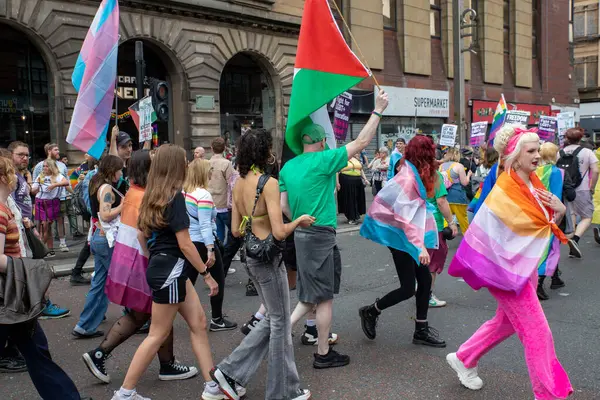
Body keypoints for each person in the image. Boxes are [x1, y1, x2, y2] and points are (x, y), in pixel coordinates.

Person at [446, 125, 573, 400]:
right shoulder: (508, 186)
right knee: (539, 333)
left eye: (539, 149)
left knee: (505, 323)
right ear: (515, 156)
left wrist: (560, 212)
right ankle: (548, 395)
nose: (538, 155)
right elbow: (501, 235)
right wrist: (555, 216)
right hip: (504, 271)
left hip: (522, 268)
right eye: (531, 150)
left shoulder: (532, 182)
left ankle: (464, 358)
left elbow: (541, 227)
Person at [280, 90, 389, 369]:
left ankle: (289, 336)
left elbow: (285, 207)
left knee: (310, 294)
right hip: (321, 233)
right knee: (324, 296)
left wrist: (301, 219)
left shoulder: (288, 168)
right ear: (321, 141)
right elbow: (363, 141)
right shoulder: (324, 161)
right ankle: (322, 351)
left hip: (302, 233)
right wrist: (377, 110)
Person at [211, 129, 314, 400]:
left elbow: (234, 230)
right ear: (263, 151)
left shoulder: (239, 182)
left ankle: (230, 372)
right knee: (280, 323)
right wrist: (298, 221)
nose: (272, 152)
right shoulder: (267, 183)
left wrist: (253, 220)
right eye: (269, 147)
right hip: (269, 259)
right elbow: (280, 233)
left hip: (251, 257)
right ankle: (283, 392)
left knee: (272, 319)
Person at [112, 144, 219, 400]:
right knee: (157, 334)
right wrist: (205, 273)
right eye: (184, 160)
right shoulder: (174, 196)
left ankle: (212, 385)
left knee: (199, 323)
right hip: (173, 269)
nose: (187, 164)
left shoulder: (152, 195)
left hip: (168, 269)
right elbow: (185, 244)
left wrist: (154, 259)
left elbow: (141, 235)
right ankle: (125, 394)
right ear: (175, 165)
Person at [83, 150, 197, 384]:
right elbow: (148, 234)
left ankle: (166, 364)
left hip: (135, 262)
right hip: (147, 262)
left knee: (158, 314)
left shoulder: (134, 192)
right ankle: (103, 356)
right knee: (148, 315)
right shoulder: (146, 196)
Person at [0, 156, 92, 400]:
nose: (16, 181)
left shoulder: (5, 207)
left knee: (37, 351)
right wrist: (27, 268)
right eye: (12, 176)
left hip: (11, 295)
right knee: (37, 351)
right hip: (8, 293)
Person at [358, 135, 447, 347]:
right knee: (409, 287)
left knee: (424, 281)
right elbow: (405, 218)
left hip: (404, 233)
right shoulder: (408, 178)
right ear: (424, 155)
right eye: (431, 152)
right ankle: (371, 311)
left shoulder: (414, 171)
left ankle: (421, 329)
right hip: (398, 234)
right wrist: (420, 247)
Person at [72, 155, 124, 338]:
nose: (121, 172)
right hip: (105, 239)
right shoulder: (107, 187)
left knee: (100, 282)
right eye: (120, 169)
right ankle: (135, 317)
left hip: (97, 237)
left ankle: (85, 325)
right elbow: (106, 214)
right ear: (112, 170)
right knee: (120, 279)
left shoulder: (95, 181)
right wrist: (123, 206)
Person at [184, 159, 237, 331]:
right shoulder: (203, 195)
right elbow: (205, 224)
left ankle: (167, 315)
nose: (211, 173)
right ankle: (217, 319)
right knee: (217, 280)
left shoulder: (186, 192)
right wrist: (210, 249)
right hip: (202, 242)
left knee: (186, 283)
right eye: (209, 170)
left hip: (190, 242)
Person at [536, 142, 576, 301]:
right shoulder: (560, 173)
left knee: (542, 248)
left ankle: (555, 277)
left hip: (534, 215)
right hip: (554, 216)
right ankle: (539, 282)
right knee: (551, 248)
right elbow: (571, 195)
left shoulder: (533, 172)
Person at [559, 127, 599, 258]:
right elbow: (596, 170)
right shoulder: (587, 152)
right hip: (582, 189)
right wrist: (592, 186)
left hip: (566, 190)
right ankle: (575, 239)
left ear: (567, 138)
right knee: (587, 217)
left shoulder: (560, 152)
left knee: (572, 214)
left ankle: (571, 241)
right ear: (580, 138)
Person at [32, 143, 70, 252]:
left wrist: (55, 185)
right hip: (41, 201)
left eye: (46, 166)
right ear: (49, 151)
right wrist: (37, 187)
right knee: (43, 225)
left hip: (55, 200)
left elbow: (66, 181)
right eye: (55, 150)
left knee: (52, 223)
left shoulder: (60, 169)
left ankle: (48, 248)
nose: (44, 168)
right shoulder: (40, 172)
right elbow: (33, 188)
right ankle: (44, 249)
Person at [208, 137, 234, 247]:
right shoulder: (226, 163)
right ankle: (228, 252)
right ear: (224, 149)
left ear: (211, 148)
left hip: (211, 202)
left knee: (218, 232)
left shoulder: (206, 163)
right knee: (233, 231)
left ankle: (220, 252)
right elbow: (232, 183)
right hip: (224, 203)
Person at [439, 147, 471, 233]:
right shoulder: (459, 166)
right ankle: (467, 242)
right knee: (463, 221)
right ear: (457, 155)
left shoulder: (441, 166)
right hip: (458, 197)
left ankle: (443, 240)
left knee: (446, 220)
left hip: (445, 196)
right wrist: (468, 175)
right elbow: (464, 183)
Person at [336, 153, 369, 224]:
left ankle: (356, 215)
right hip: (346, 181)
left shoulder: (356, 160)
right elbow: (337, 171)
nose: (357, 154)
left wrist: (365, 179)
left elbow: (361, 170)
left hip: (357, 181)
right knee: (350, 199)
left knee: (357, 199)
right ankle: (351, 217)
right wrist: (337, 183)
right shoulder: (342, 160)